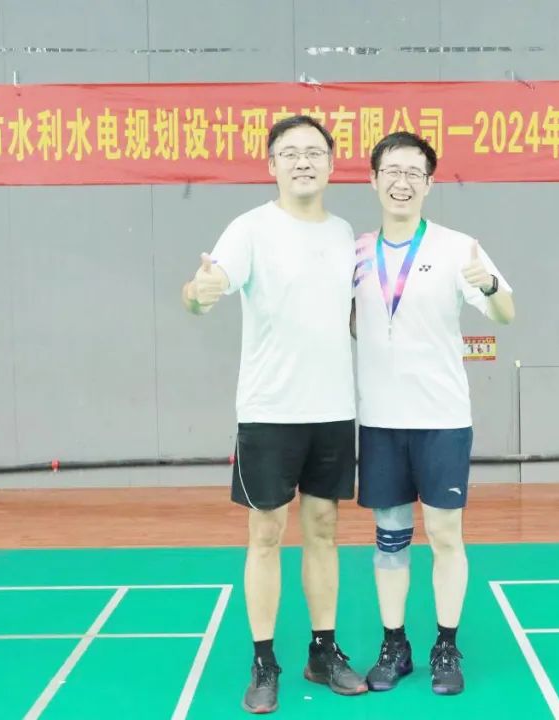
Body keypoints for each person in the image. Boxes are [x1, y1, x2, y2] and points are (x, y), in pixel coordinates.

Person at [181, 115, 368, 714]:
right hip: (269, 410)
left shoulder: (345, 234)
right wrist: (199, 291)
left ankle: (323, 651)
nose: (303, 161)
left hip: (333, 409)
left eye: (314, 152)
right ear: (271, 165)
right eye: (290, 152)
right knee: (265, 533)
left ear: (332, 164)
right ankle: (264, 661)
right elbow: (205, 288)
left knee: (324, 530)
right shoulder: (250, 229)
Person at [351, 131, 515, 695]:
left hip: (442, 417)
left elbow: (506, 313)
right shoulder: (355, 253)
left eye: (413, 173)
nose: (401, 182)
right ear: (373, 180)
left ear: (429, 182)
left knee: (445, 533)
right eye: (391, 171)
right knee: (389, 536)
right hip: (379, 420)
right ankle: (394, 646)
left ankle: (446, 645)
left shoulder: (457, 247)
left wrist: (488, 284)